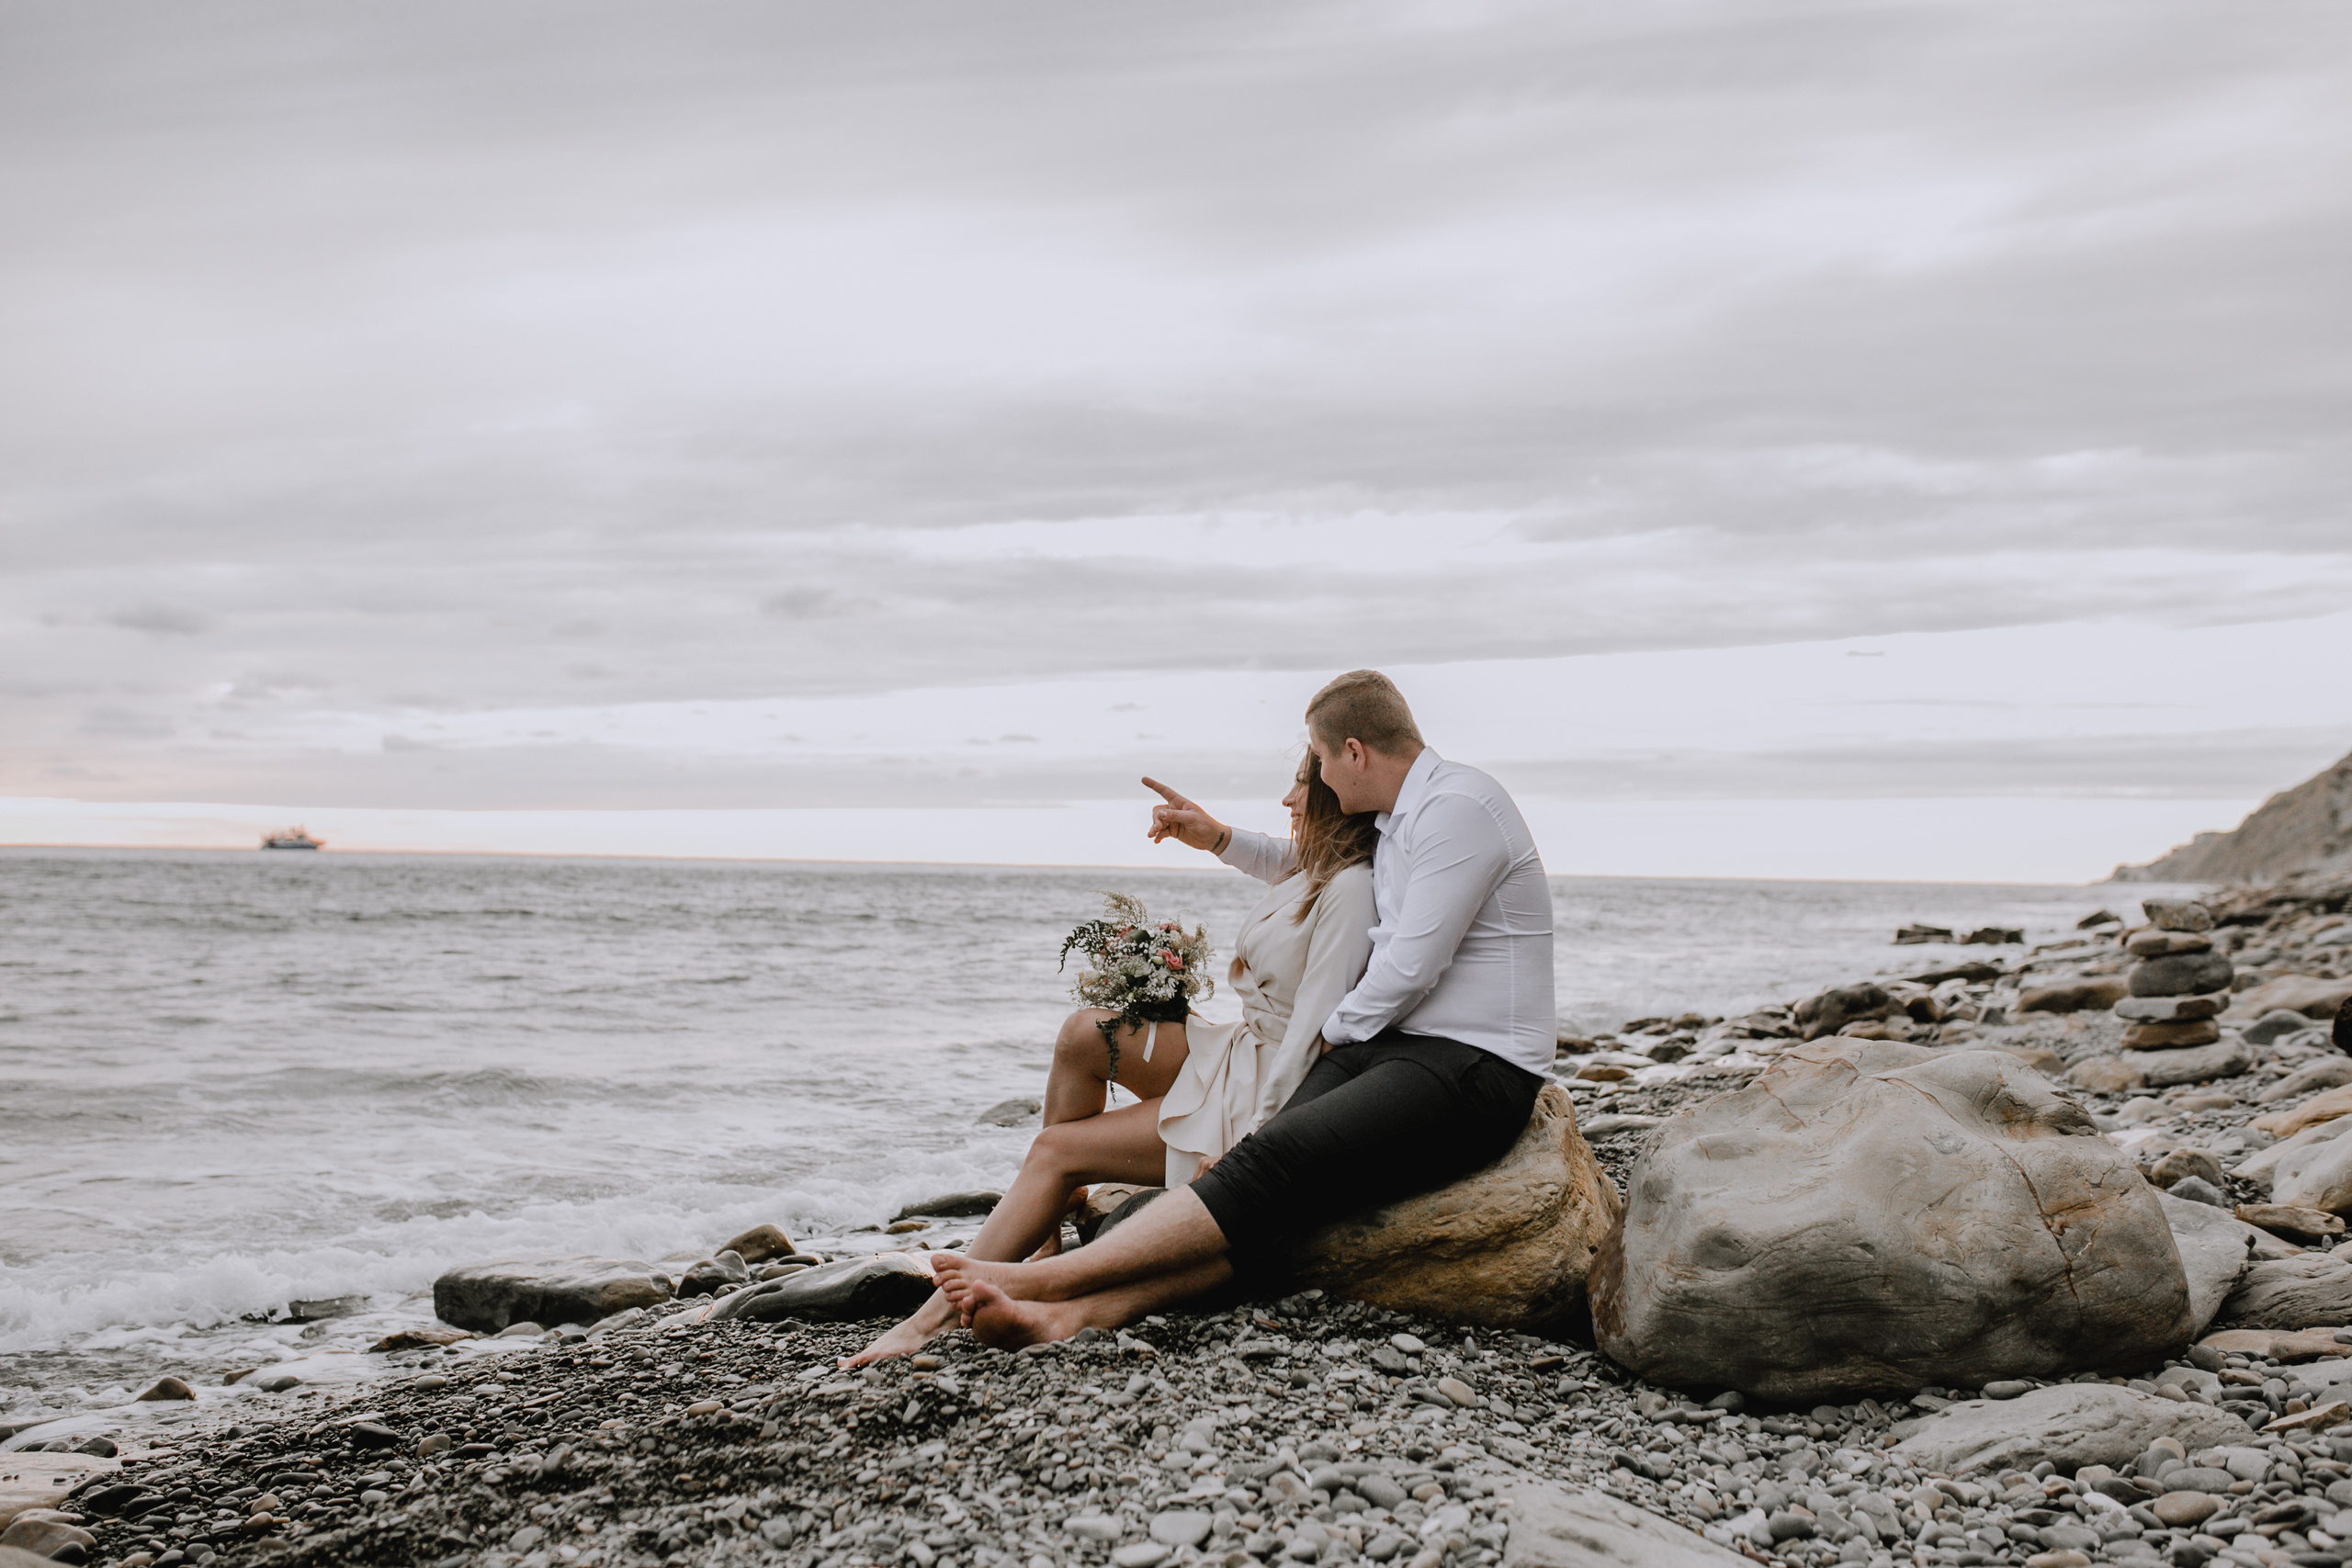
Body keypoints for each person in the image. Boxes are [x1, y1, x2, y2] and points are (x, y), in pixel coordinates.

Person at [932, 669, 1556, 1347]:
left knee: (1269, 1160)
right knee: (1275, 1193)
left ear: (1354, 751)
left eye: (1317, 760)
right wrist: (1220, 837)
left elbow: (1410, 967)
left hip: (1475, 1065)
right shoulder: (1399, 819)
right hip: (1396, 1047)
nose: (1311, 778)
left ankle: (1045, 1280)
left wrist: (1330, 1034)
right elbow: (1310, 859)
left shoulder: (1459, 807)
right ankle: (1071, 1314)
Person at [839, 752, 1378, 1366]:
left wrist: (1257, 1143)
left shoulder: (1353, 889)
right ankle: (1045, 1232)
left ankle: (927, 1320)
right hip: (1239, 1048)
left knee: (1053, 1150)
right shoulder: (1313, 866)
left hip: (1269, 1089)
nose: (1287, 798)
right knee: (1082, 1034)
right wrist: (1212, 834)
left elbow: (1315, 1032)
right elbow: (1269, 856)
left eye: (1302, 785)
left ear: (1336, 794)